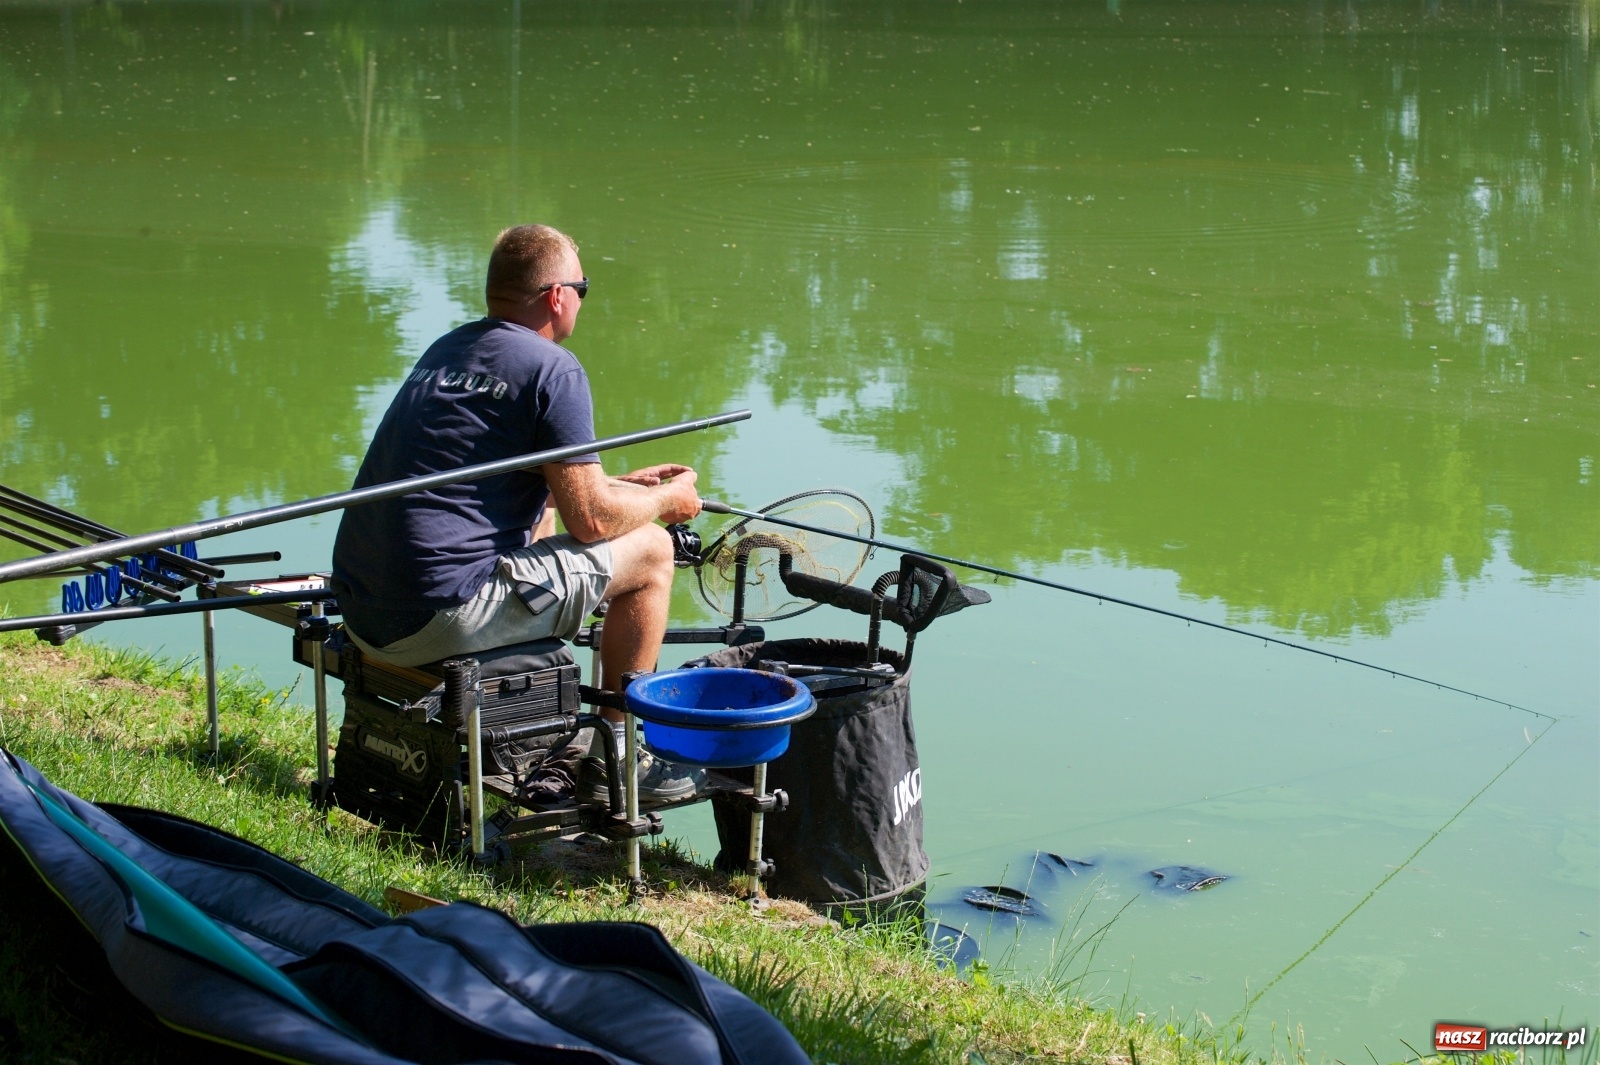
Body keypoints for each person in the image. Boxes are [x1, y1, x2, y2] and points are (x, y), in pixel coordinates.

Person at [330, 223, 704, 802]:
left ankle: (577, 729)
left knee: (566, 517)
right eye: (583, 288)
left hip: (362, 610)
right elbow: (595, 522)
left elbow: (533, 485)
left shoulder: (449, 348)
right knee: (653, 551)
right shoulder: (554, 368)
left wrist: (615, 486)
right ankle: (620, 754)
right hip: (435, 616)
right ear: (557, 295)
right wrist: (661, 503)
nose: (582, 299)